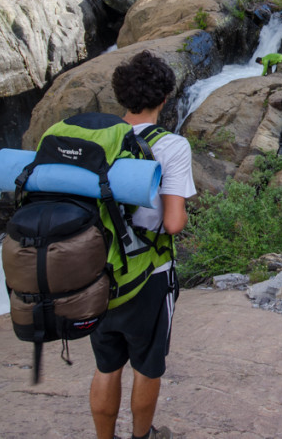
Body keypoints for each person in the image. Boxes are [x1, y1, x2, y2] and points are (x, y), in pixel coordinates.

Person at [89, 50, 196, 439]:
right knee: (147, 366)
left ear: (121, 97)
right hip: (148, 275)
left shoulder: (98, 140)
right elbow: (172, 222)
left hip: (97, 273)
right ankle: (142, 436)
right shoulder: (172, 146)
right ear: (166, 98)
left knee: (106, 367)